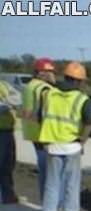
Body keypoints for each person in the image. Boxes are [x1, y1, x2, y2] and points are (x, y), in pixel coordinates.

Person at [38, 61, 91, 211]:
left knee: (52, 181)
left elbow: (41, 117)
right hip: (71, 146)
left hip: (52, 144)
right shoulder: (81, 99)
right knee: (71, 182)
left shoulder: (49, 95)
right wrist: (82, 140)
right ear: (79, 81)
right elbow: (90, 122)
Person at [21, 57, 56, 202]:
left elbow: (26, 112)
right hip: (44, 134)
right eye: (50, 72)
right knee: (49, 172)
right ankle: (49, 204)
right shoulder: (44, 88)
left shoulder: (29, 86)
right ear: (42, 73)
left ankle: (45, 201)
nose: (52, 74)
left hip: (33, 133)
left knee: (44, 170)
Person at [0, 78, 18, 204]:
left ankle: (8, 195)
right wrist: (8, 104)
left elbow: (18, 98)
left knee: (8, 164)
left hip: (8, 130)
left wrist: (6, 102)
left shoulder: (4, 84)